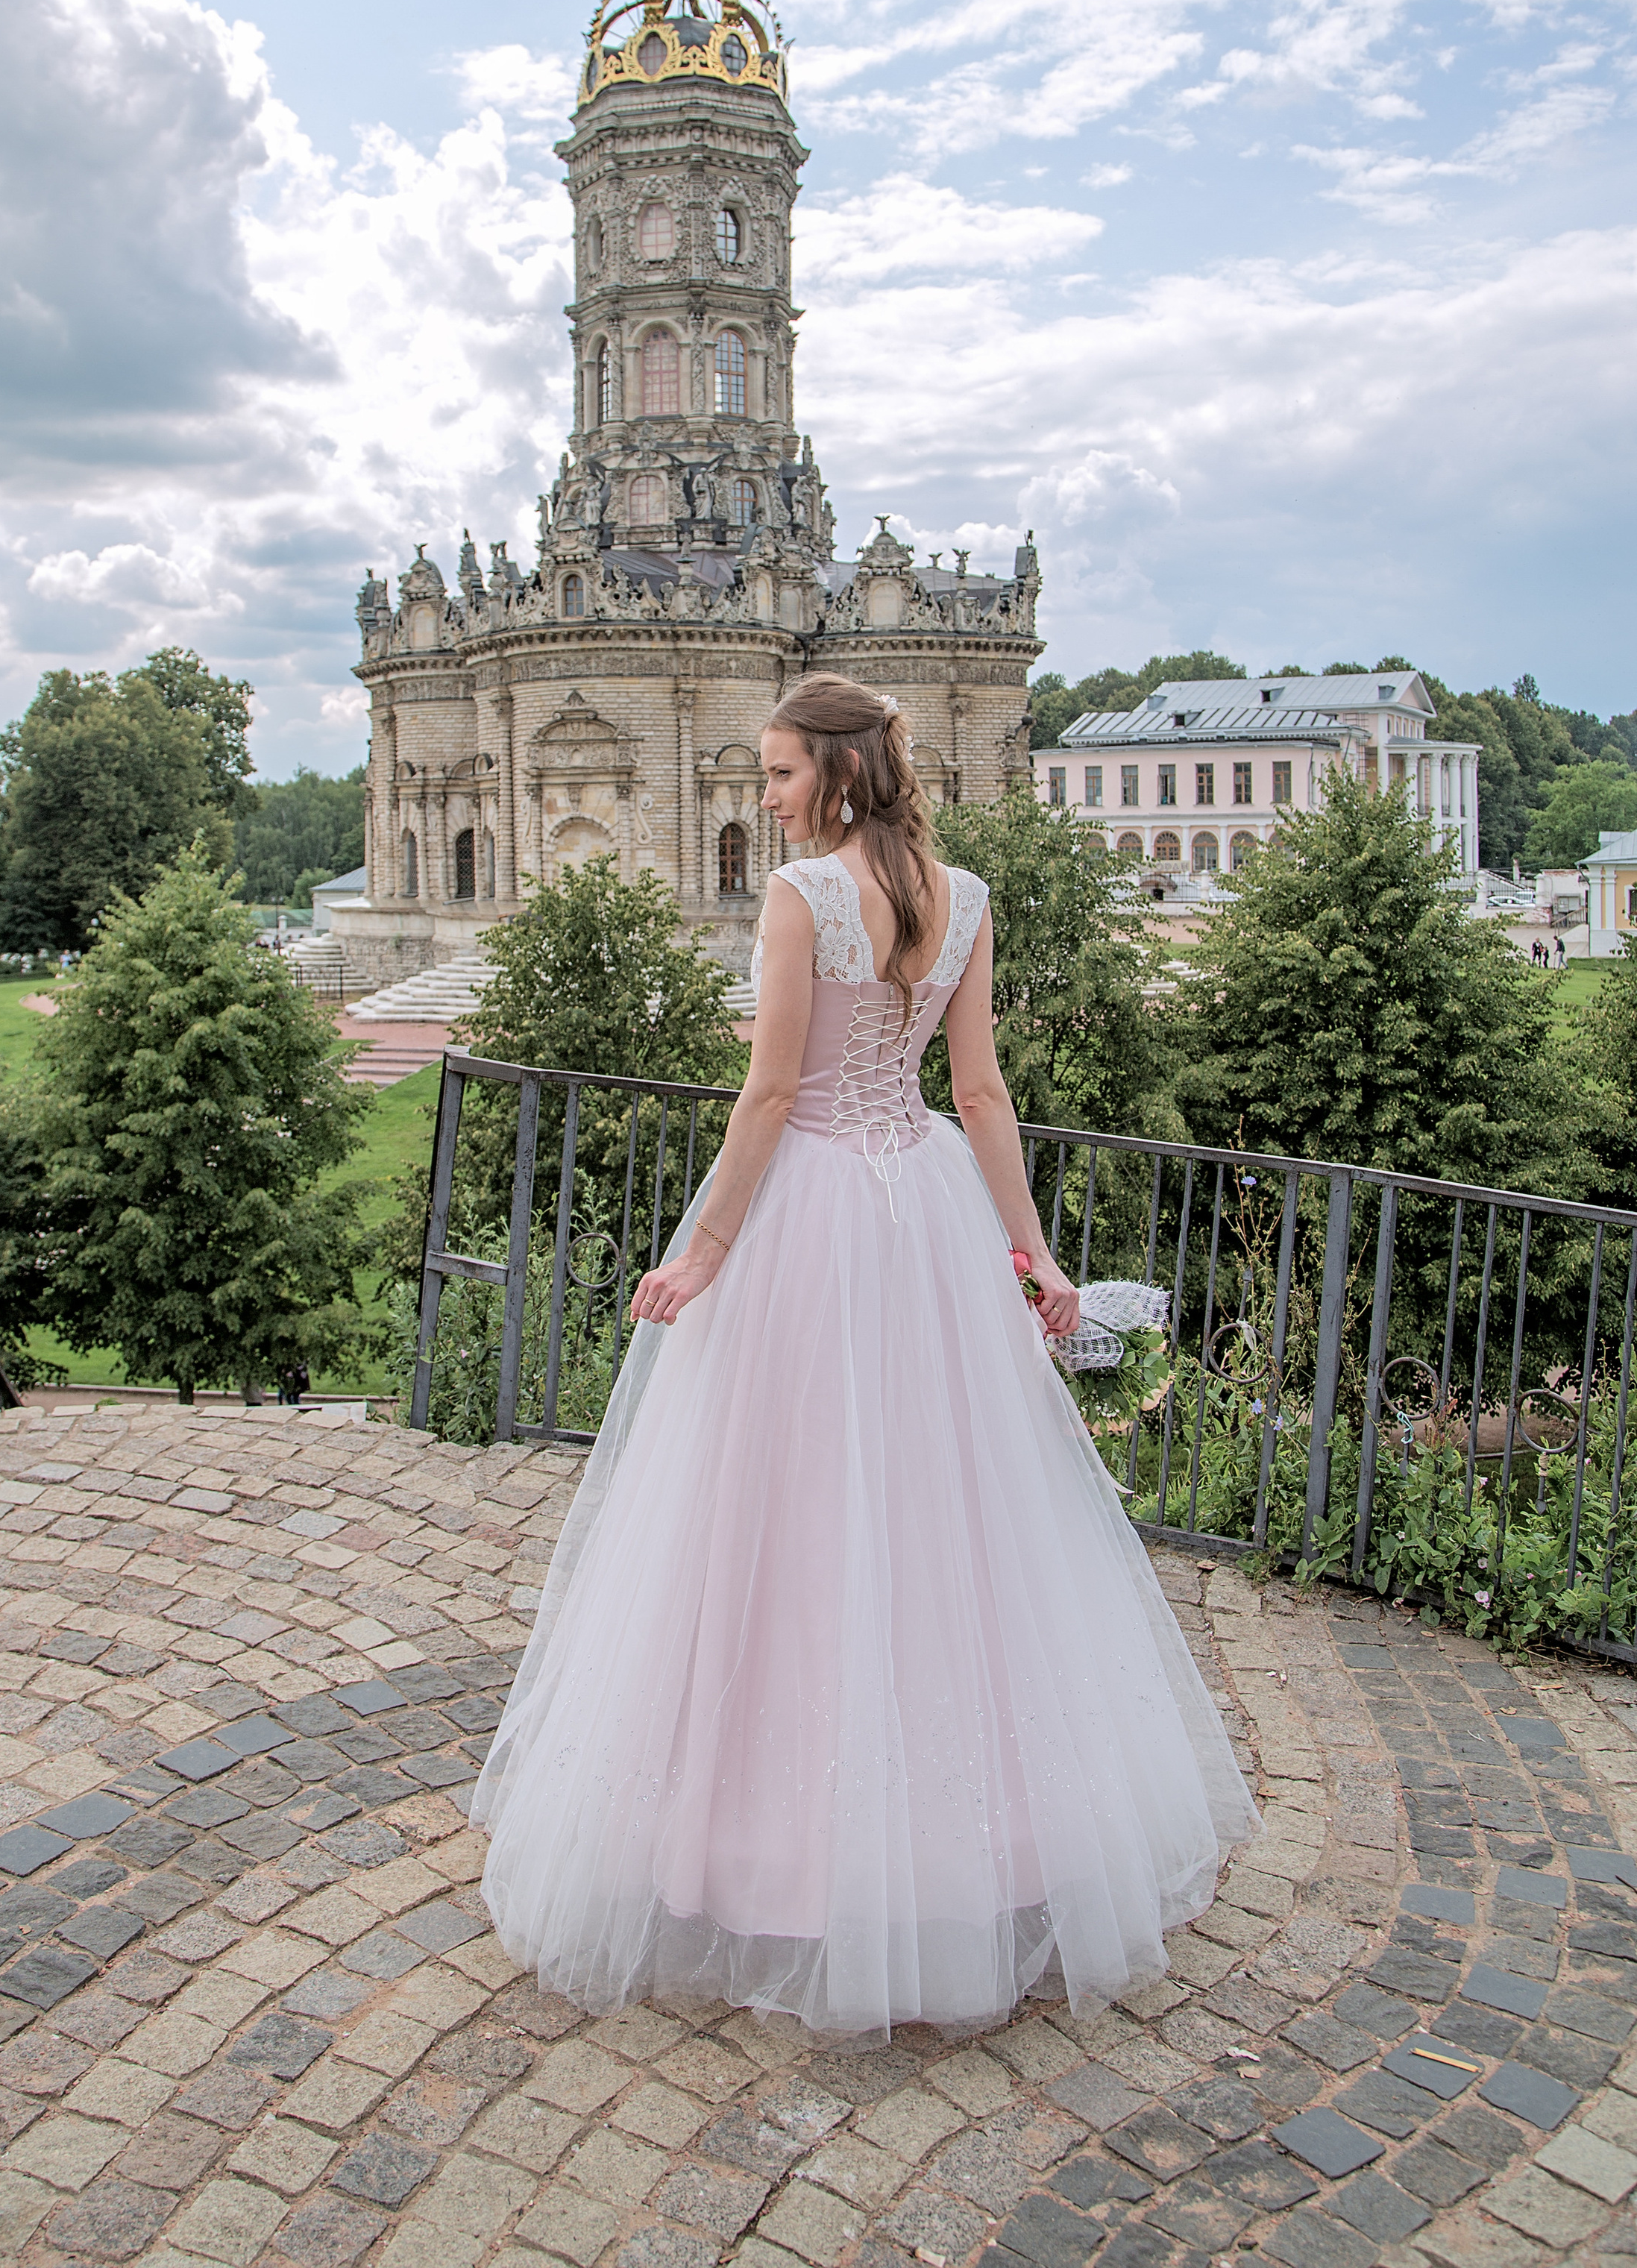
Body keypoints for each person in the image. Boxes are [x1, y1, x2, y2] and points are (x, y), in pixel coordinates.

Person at [474, 675, 1257, 2038]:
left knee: (779, 1508)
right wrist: (1033, 1257)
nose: (766, 795)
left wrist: (705, 1252)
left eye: (781, 774)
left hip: (821, 1215)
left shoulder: (801, 898)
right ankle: (979, 1837)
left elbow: (771, 1093)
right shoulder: (964, 897)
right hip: (930, 1210)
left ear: (835, 777)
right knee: (942, 1509)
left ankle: (760, 1847)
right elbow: (981, 1091)